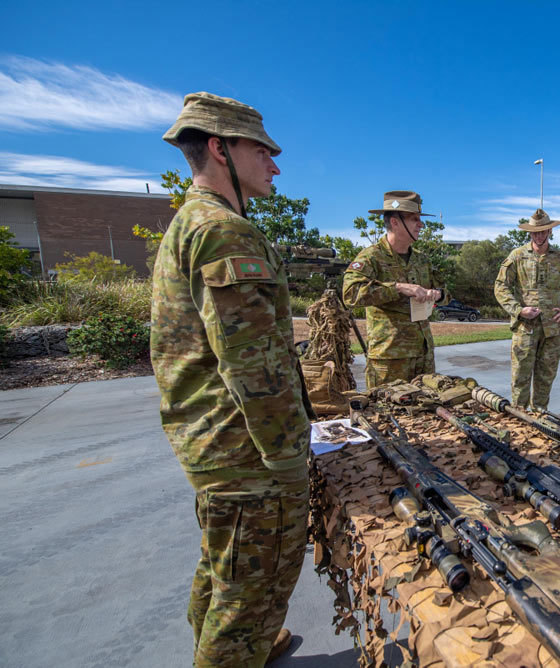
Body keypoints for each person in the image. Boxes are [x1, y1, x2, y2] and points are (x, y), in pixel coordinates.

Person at [152, 92, 310, 666]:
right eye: (262, 150)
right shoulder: (225, 231)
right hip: (245, 450)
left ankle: (232, 648)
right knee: (252, 593)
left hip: (214, 440)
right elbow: (254, 366)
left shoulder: (192, 221)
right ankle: (234, 651)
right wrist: (291, 456)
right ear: (220, 149)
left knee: (224, 566)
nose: (274, 163)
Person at [342, 191, 447, 389]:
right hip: (389, 360)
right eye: (414, 219)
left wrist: (438, 295)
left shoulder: (422, 260)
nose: (421, 224)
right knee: (386, 415)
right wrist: (398, 288)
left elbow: (445, 291)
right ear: (395, 222)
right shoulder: (371, 257)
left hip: (423, 356)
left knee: (427, 414)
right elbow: (350, 294)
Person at [494, 209, 560, 410]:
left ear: (550, 232)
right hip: (525, 328)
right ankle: (520, 419)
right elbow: (500, 286)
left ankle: (541, 419)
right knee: (520, 377)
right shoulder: (517, 256)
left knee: (546, 377)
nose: (539, 235)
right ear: (529, 233)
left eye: (543, 231)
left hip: (552, 329)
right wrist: (518, 310)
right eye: (535, 232)